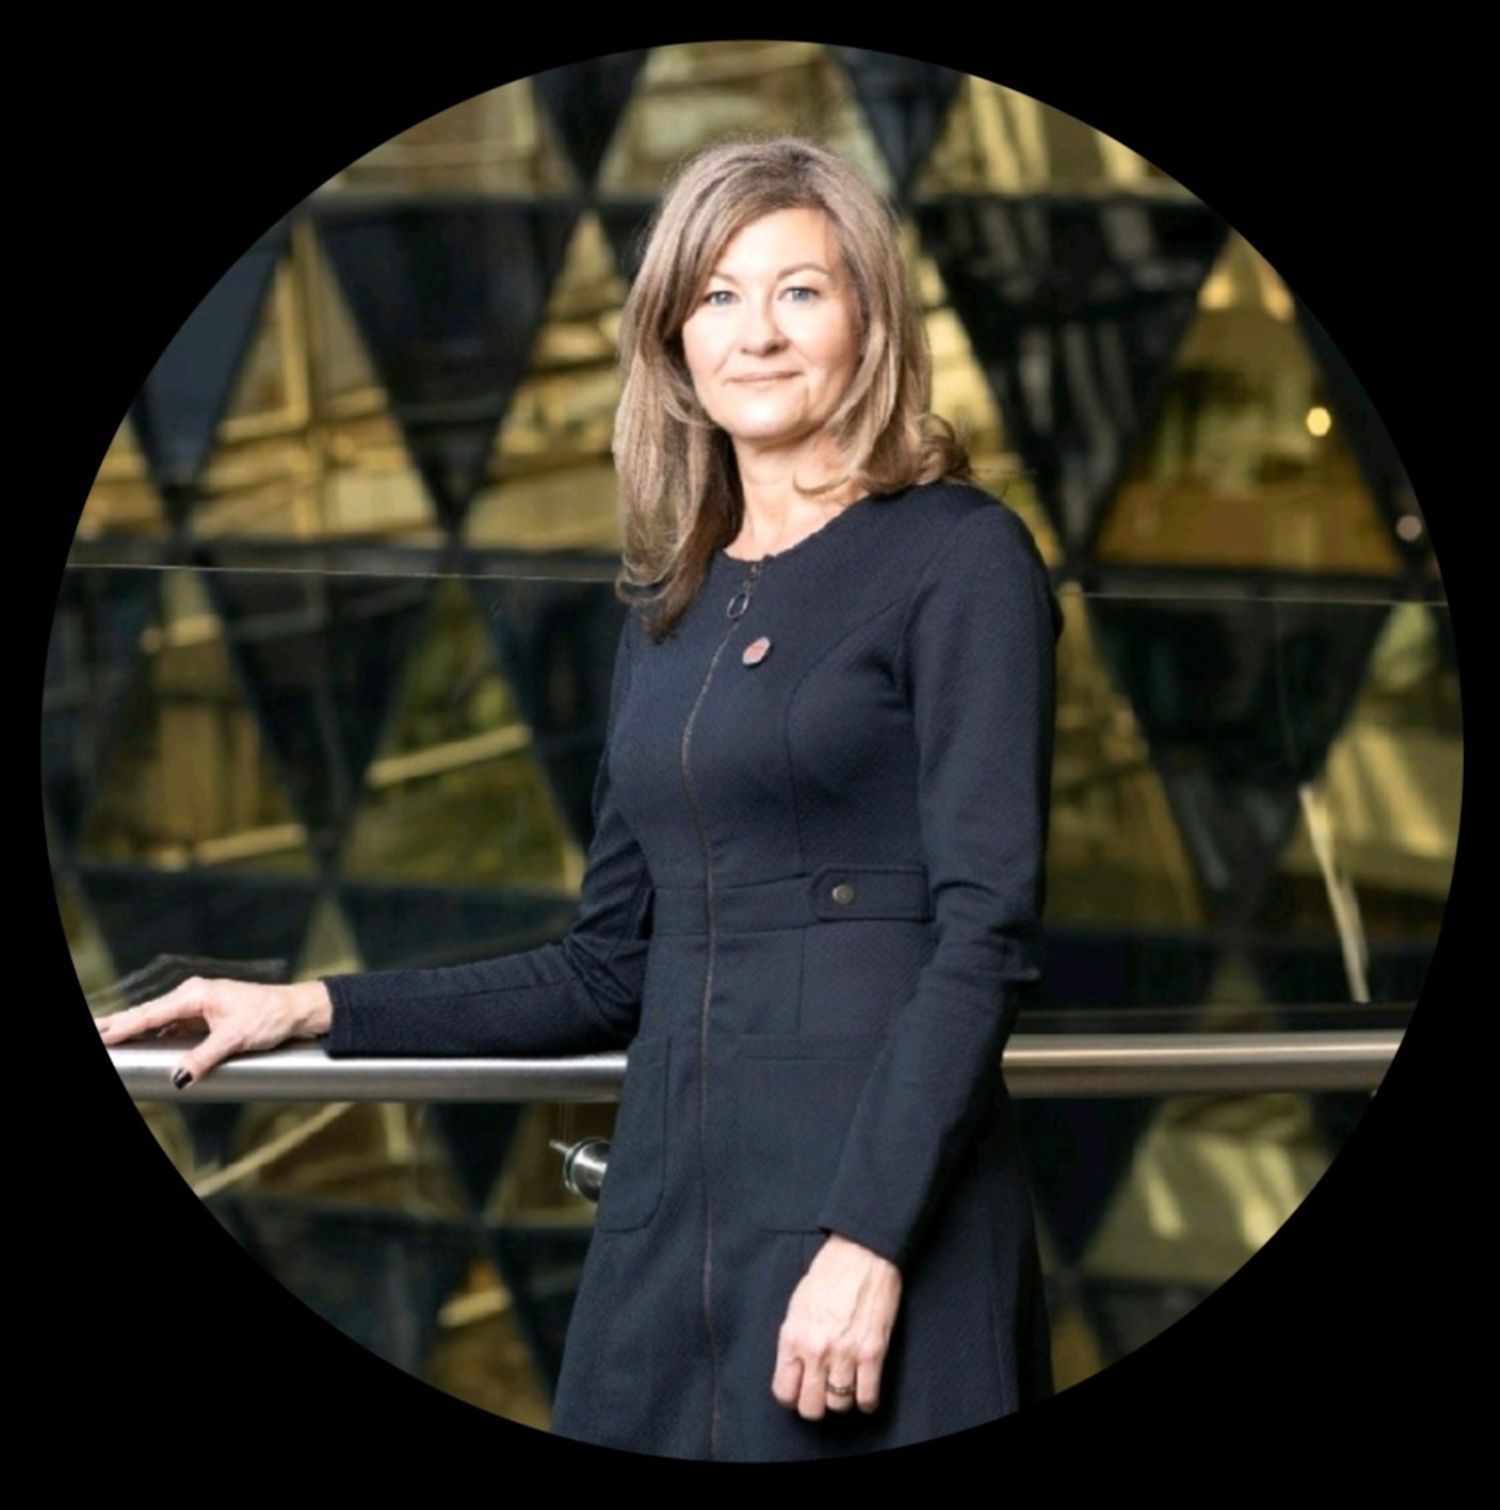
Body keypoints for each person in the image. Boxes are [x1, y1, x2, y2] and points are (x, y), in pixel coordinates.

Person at [96, 133, 1065, 1462]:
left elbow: (986, 930)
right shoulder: (674, 604)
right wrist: (311, 1006)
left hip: (875, 1221)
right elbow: (606, 967)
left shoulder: (962, 558)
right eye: (716, 296)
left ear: (871, 321)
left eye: (800, 290)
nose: (756, 333)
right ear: (672, 340)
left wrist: (869, 1237)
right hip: (674, 1227)